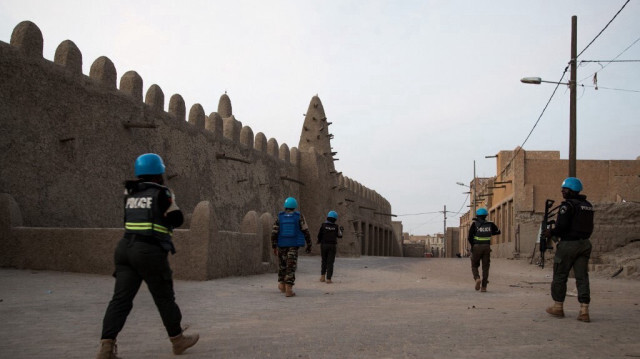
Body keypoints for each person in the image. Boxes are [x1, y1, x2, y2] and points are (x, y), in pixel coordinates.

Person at [95, 153, 198, 359]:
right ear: (159, 173)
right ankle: (178, 341)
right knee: (164, 298)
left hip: (125, 249)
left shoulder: (130, 192)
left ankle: (106, 347)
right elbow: (177, 219)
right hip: (149, 251)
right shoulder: (162, 193)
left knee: (120, 300)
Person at [543, 177, 594, 322]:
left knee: (560, 275)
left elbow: (562, 227)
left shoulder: (567, 206)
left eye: (564, 189)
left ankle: (558, 307)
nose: (562, 191)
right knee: (582, 277)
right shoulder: (587, 205)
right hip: (584, 244)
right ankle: (584, 310)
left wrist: (551, 232)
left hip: (569, 244)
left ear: (571, 190)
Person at [271, 197, 312, 297]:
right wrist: (309, 244)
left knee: (282, 265)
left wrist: (274, 246)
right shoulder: (299, 217)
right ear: (295, 206)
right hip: (293, 246)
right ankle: (289, 289)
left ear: (285, 206)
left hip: (281, 246)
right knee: (291, 267)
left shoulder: (279, 217)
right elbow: (306, 231)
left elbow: (274, 233)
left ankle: (282, 284)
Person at [467, 207, 501, 292]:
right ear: (486, 215)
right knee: (485, 267)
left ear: (477, 215)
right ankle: (484, 287)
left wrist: (473, 246)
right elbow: (497, 232)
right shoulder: (490, 224)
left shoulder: (474, 224)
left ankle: (477, 278)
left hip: (476, 247)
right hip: (486, 247)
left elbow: (469, 237)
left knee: (474, 265)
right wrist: (489, 233)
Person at [317, 210, 343, 284]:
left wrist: (319, 241)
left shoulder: (323, 225)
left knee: (324, 261)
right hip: (332, 246)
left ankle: (322, 277)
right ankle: (328, 279)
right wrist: (341, 230)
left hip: (324, 245)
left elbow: (319, 235)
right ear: (335, 219)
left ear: (328, 217)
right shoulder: (336, 227)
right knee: (330, 262)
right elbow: (340, 236)